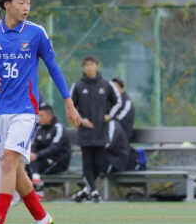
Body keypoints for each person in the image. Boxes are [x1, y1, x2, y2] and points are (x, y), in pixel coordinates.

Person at [0, 0, 81, 224]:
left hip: (25, 109)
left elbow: (54, 68)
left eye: (28, 3)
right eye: (21, 2)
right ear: (6, 4)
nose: (26, 7)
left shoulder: (36, 33)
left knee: (9, 161)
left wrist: (69, 102)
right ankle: (41, 217)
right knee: (15, 168)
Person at [70, 55, 122, 203]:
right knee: (87, 163)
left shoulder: (106, 84)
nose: (89, 67)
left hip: (101, 131)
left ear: (97, 66)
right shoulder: (78, 86)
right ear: (83, 68)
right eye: (86, 65)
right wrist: (81, 119)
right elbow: (71, 105)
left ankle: (86, 191)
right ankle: (94, 193)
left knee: (98, 164)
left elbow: (118, 102)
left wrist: (109, 115)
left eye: (91, 64)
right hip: (85, 133)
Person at [29, 104, 72, 199]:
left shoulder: (58, 127)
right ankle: (37, 187)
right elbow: (33, 145)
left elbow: (55, 147)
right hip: (41, 160)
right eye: (38, 116)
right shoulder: (39, 128)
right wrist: (33, 154)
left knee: (33, 161)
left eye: (41, 116)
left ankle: (38, 187)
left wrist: (37, 155)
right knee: (24, 163)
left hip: (58, 162)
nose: (39, 118)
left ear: (50, 115)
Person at [111, 77, 135, 142]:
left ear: (122, 89)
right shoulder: (112, 101)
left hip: (123, 137)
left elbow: (120, 119)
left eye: (116, 87)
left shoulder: (127, 102)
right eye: (112, 88)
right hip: (111, 135)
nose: (113, 90)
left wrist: (107, 119)